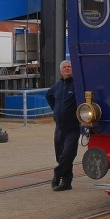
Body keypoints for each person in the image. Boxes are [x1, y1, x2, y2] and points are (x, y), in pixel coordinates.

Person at [45, 60, 80, 191]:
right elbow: (48, 95)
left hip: (73, 127)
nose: (67, 69)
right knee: (60, 155)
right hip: (59, 127)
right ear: (61, 71)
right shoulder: (57, 86)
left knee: (68, 154)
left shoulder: (77, 85)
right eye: (65, 67)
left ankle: (57, 174)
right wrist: (55, 109)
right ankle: (66, 183)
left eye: (69, 67)